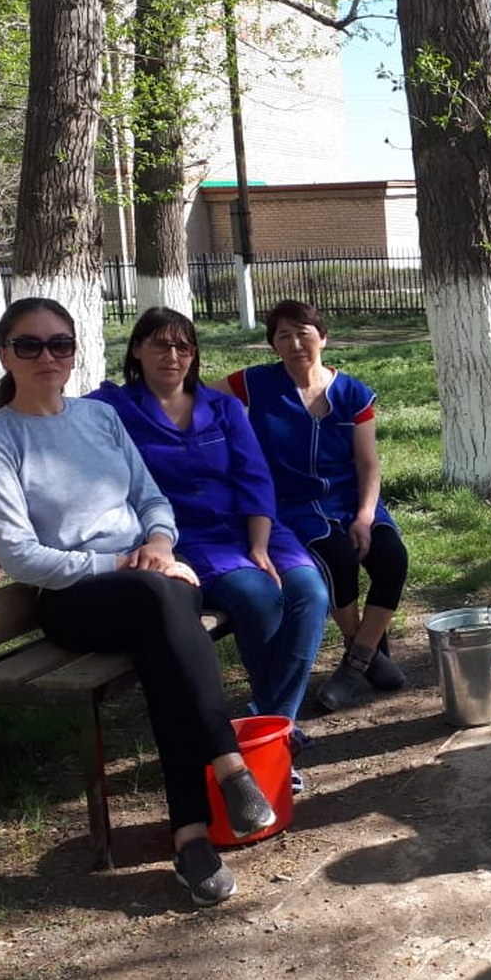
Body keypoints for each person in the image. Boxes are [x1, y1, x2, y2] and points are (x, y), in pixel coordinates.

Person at [0, 297, 276, 907]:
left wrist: (158, 544)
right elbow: (21, 557)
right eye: (29, 345)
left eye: (60, 344)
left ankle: (191, 838)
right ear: (5, 355)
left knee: (165, 648)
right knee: (164, 601)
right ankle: (229, 765)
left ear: (74, 352)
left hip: (147, 585)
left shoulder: (99, 419)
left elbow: (151, 499)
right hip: (72, 599)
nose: (47, 356)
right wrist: (124, 564)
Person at [89, 308, 329, 771]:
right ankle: (276, 741)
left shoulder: (221, 407)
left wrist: (259, 545)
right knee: (259, 597)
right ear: (136, 350)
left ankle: (271, 725)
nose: (172, 355)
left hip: (255, 525)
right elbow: (46, 414)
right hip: (187, 537)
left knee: (310, 593)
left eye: (183, 346)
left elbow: (254, 476)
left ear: (194, 354)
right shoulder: (112, 408)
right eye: (160, 344)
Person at [219, 300, 409, 713]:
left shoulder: (353, 394)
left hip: (352, 500)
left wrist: (364, 516)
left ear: (322, 338)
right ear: (273, 345)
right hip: (294, 505)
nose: (294, 344)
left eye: (303, 333)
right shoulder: (254, 383)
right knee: (337, 558)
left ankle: (356, 660)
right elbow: (193, 397)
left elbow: (368, 464)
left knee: (391, 558)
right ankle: (364, 656)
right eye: (283, 336)